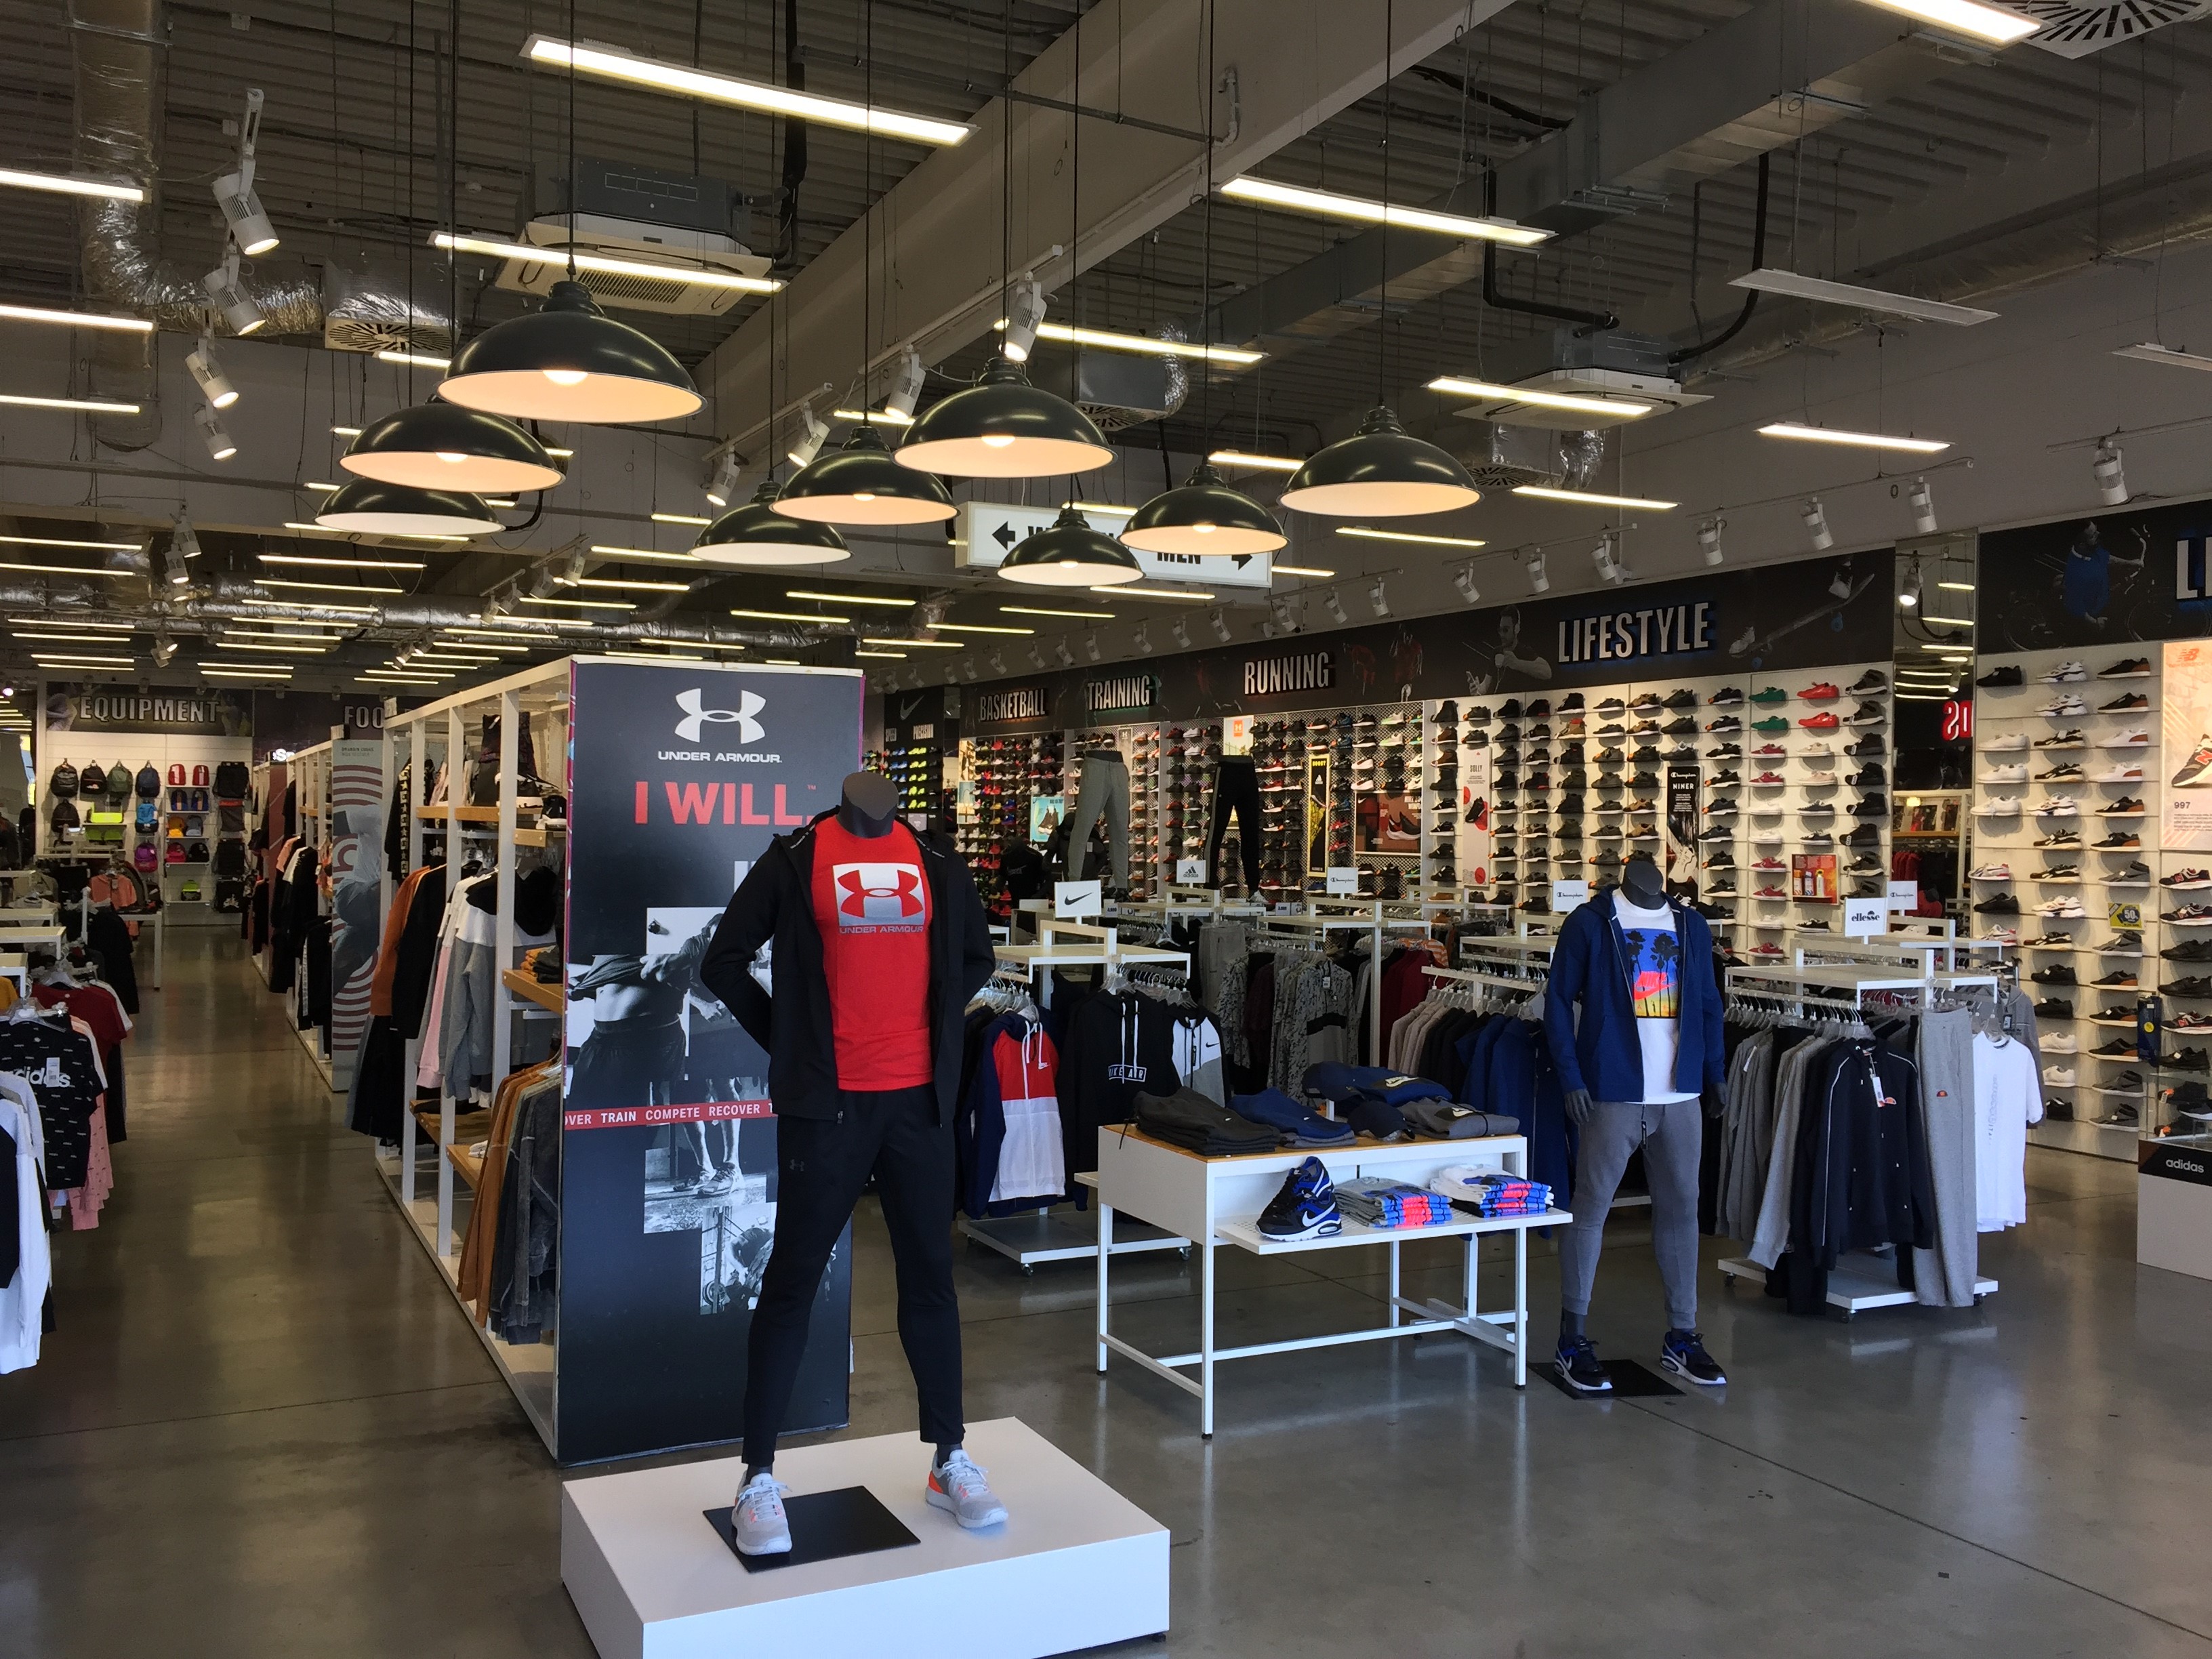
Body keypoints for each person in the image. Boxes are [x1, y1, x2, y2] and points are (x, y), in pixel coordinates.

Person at [698, 771, 1001, 1556]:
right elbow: (722, 962)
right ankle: (758, 1477)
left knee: (930, 1277)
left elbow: (976, 958)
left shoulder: (937, 860)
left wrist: (934, 1032)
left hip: (919, 1108)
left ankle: (949, 1457)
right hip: (827, 1109)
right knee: (792, 1281)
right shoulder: (797, 857)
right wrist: (793, 1043)